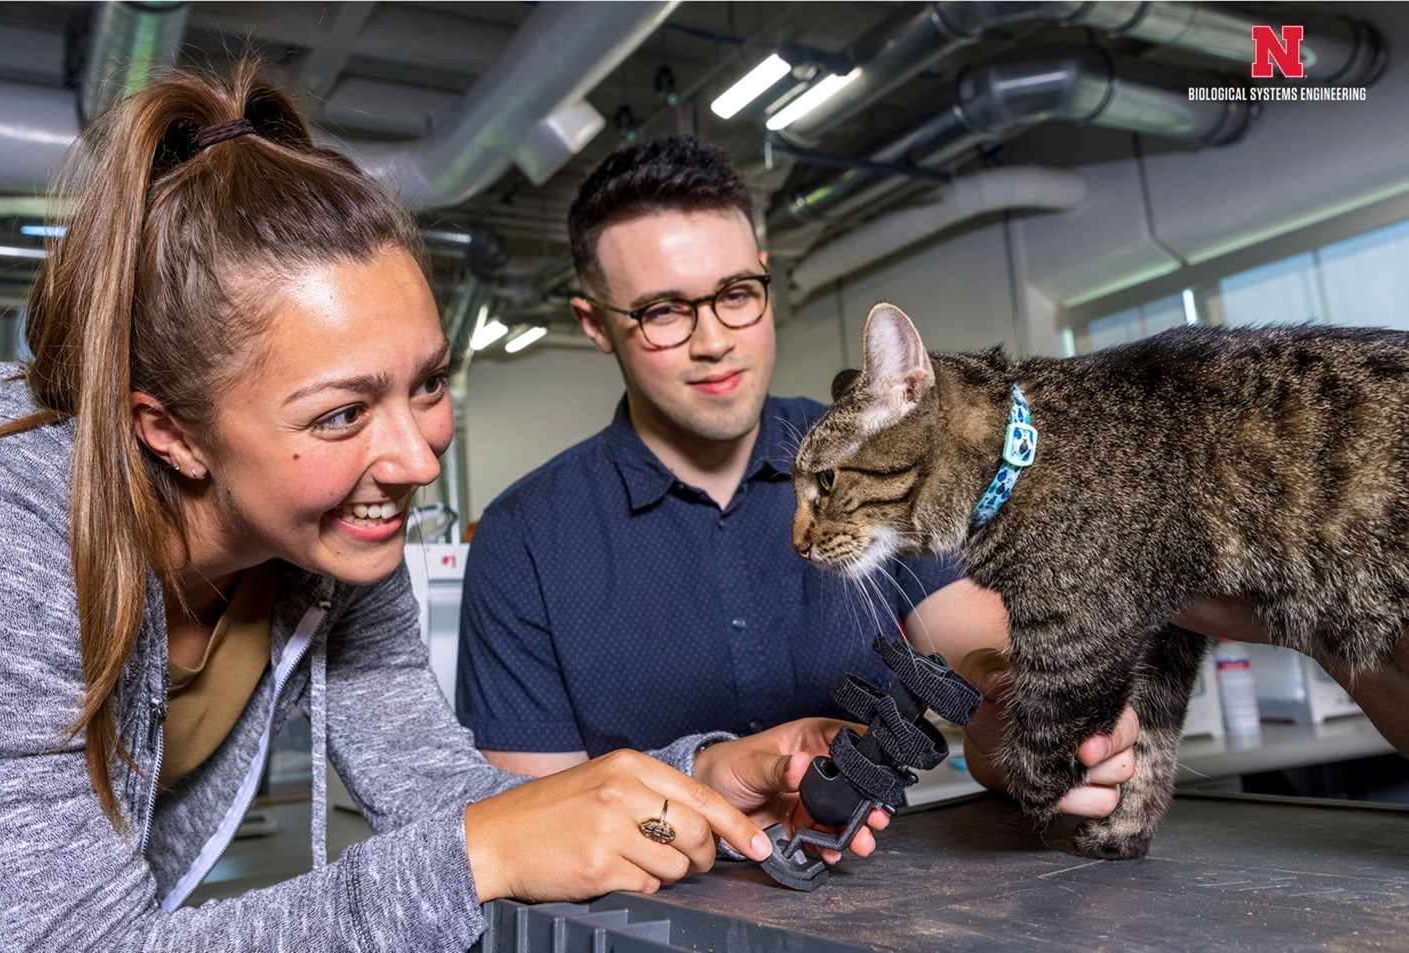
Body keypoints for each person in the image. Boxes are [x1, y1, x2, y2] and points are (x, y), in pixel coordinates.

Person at [0, 66, 889, 951]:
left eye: (426, 385)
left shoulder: (324, 546)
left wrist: (694, 781)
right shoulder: (11, 529)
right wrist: (476, 858)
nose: (415, 460)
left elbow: (433, 787)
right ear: (169, 431)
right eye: (341, 414)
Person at [456, 135, 1139, 819]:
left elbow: (976, 647)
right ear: (595, 323)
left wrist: (1021, 711)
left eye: (737, 292)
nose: (715, 339)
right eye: (663, 311)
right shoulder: (524, 540)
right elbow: (529, 820)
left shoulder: (879, 458)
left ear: (763, 274)